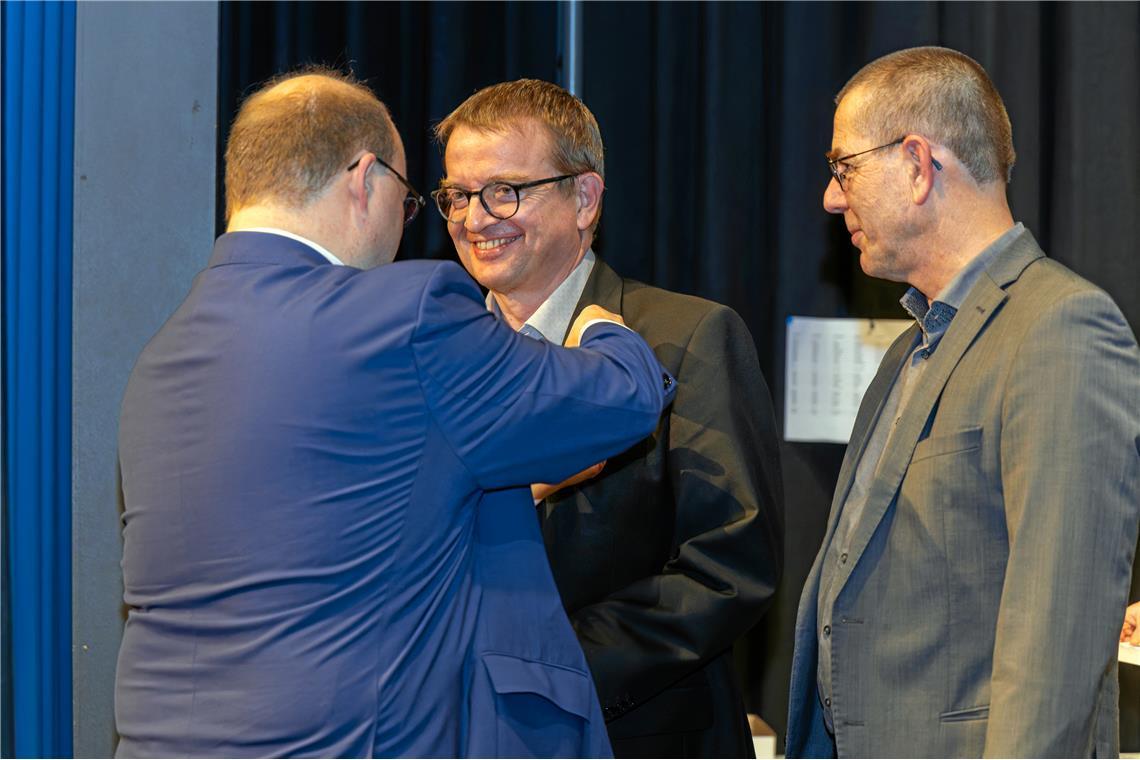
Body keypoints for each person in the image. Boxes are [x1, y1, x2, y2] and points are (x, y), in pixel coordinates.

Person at [114, 68, 678, 758]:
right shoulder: (403, 317)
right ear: (364, 179)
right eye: (417, 201)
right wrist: (599, 327)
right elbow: (622, 399)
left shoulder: (161, 359)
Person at [786, 46, 1140, 758]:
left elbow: (1056, 637)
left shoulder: (1058, 327)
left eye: (843, 168)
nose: (830, 197)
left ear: (919, 165)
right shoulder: (906, 353)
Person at [432, 79, 784, 757]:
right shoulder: (429, 359)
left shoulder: (686, 337)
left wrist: (539, 671)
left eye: (505, 190)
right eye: (458, 195)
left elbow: (728, 569)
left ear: (585, 198)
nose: (476, 218)